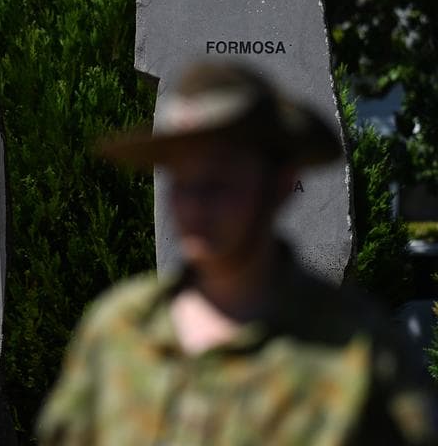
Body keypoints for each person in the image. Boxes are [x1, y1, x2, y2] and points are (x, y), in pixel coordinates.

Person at [37, 61, 438, 445]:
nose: (194, 206)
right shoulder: (117, 332)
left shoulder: (358, 351)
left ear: (280, 184)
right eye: (181, 181)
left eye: (218, 180)